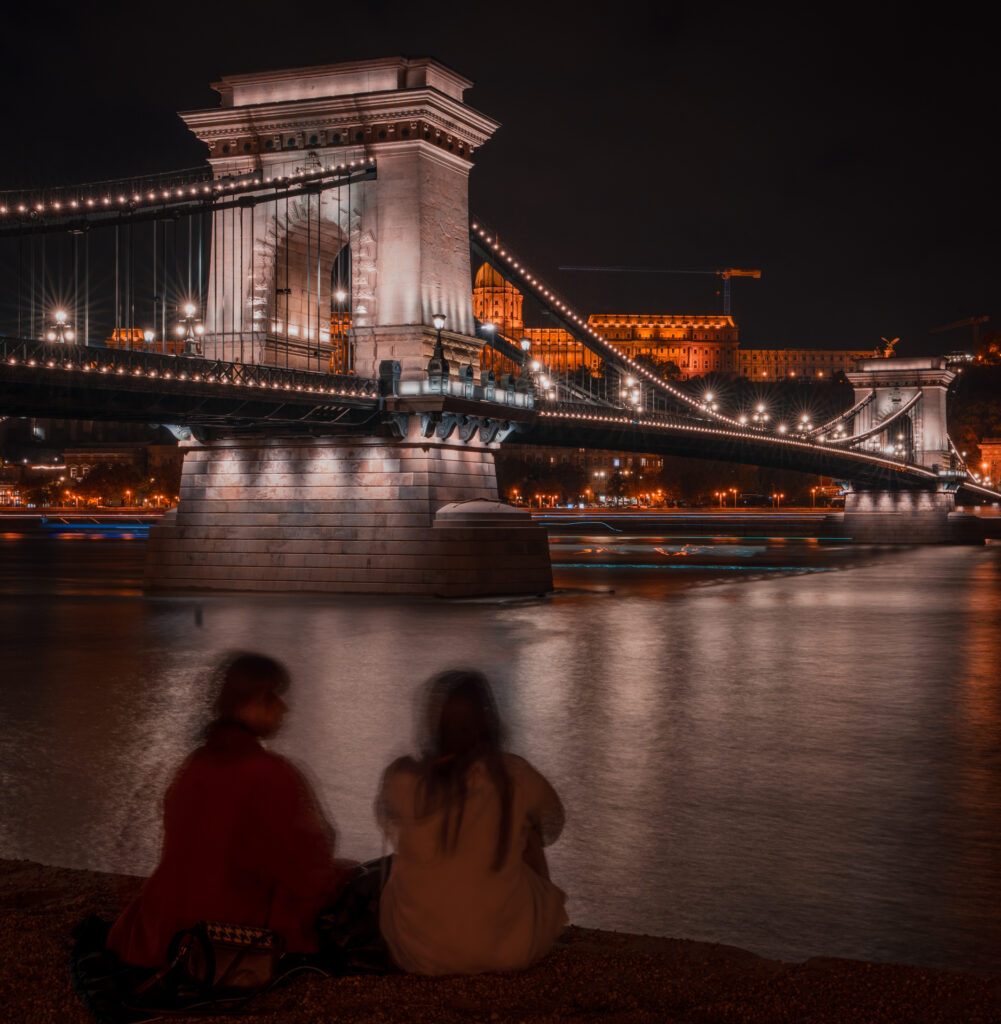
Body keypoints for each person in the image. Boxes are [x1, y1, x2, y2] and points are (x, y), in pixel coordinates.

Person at [108, 653, 350, 968]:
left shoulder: (195, 763)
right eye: (272, 697)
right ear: (247, 703)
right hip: (224, 931)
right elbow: (306, 866)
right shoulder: (270, 773)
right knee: (349, 880)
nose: (283, 707)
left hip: (164, 922)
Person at [376, 669, 567, 975]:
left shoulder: (403, 778)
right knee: (527, 824)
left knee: (407, 856)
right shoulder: (513, 776)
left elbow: (386, 815)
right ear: (488, 723)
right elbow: (554, 824)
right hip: (507, 953)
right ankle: (516, 918)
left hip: (417, 954)